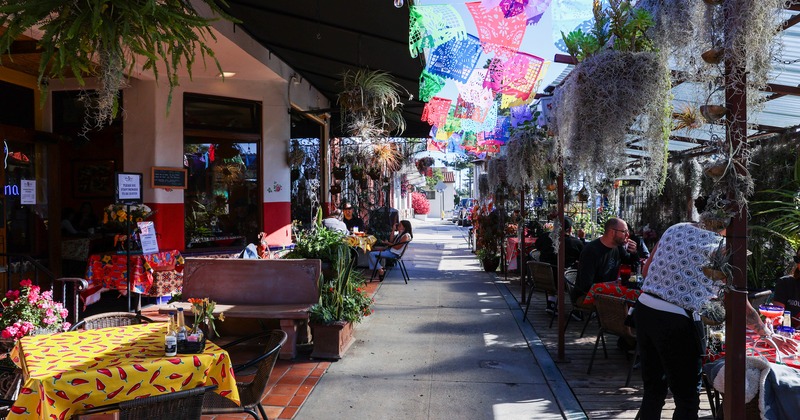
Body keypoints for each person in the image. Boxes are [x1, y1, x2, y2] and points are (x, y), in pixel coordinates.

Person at [634, 222, 797, 419]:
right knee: (687, 397)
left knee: (653, 389)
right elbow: (739, 305)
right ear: (732, 225)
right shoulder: (723, 248)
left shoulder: (675, 228)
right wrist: (766, 333)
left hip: (644, 309)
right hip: (676, 321)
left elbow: (646, 272)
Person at [574, 217, 638, 301]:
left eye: (627, 232)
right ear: (612, 232)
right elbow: (586, 285)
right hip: (587, 295)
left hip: (610, 292)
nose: (627, 235)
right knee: (623, 306)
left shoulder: (617, 247)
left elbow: (631, 263)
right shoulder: (591, 251)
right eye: (624, 232)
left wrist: (634, 253)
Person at [534, 217, 585, 313]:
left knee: (553, 268)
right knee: (581, 274)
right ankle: (577, 308)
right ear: (569, 229)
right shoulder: (575, 243)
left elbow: (537, 247)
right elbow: (583, 256)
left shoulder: (544, 237)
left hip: (542, 276)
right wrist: (582, 238)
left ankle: (551, 302)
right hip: (563, 280)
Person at [772, 246, 800, 328]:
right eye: (799, 259)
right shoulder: (785, 283)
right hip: (788, 335)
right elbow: (778, 314)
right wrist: (775, 319)